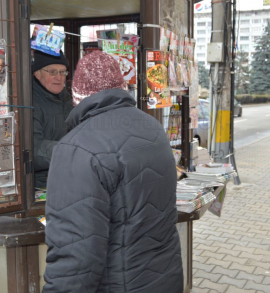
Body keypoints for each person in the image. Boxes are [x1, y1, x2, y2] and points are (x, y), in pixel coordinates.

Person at [43, 51, 183, 292]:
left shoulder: (77, 147)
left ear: (77, 96)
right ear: (121, 87)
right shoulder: (152, 126)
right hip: (164, 278)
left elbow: (75, 255)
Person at [32, 50, 73, 189]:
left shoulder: (66, 98)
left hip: (67, 177)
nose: (59, 77)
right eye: (52, 72)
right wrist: (70, 152)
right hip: (41, 184)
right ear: (37, 73)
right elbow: (32, 147)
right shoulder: (29, 102)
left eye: (63, 72)